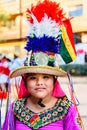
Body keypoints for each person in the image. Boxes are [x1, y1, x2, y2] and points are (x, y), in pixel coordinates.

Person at [2, 0, 84, 130]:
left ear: (54, 80)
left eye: (46, 77)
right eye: (33, 77)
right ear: (25, 81)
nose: (39, 82)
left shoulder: (66, 109)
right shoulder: (15, 108)